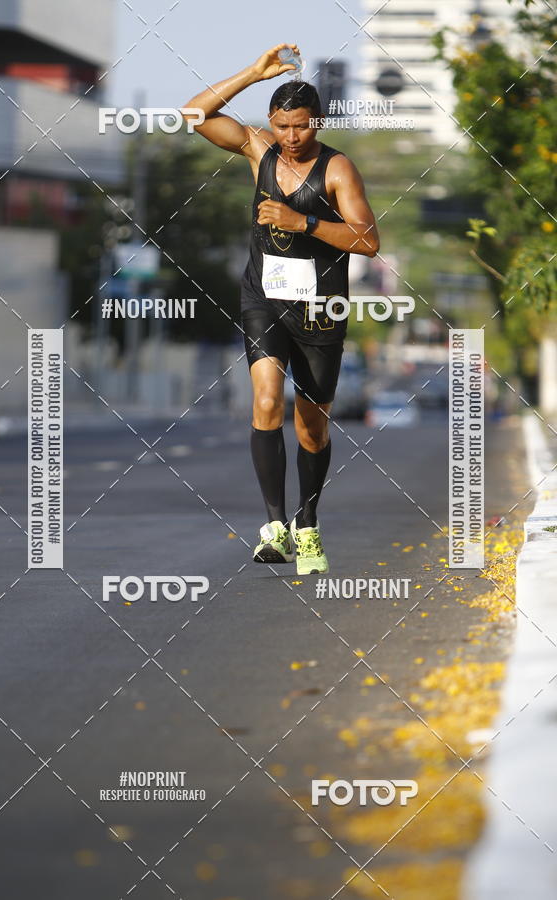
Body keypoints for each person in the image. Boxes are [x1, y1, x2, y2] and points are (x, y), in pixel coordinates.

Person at [183, 43, 379, 575]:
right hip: (263, 298)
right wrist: (252, 72)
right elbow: (193, 115)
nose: (292, 137)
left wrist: (306, 224)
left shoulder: (338, 169)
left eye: (302, 127)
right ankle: (273, 526)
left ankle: (307, 524)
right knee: (266, 401)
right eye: (283, 126)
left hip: (320, 308)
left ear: (317, 121)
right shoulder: (259, 149)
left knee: (311, 426)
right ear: (272, 122)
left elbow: (368, 241)